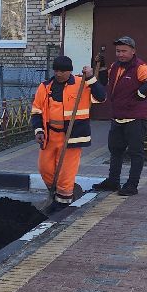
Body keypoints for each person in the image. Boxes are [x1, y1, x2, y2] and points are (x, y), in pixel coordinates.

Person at [32, 55, 105, 209]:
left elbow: (101, 97)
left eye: (62, 71)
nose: (58, 74)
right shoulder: (45, 87)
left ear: (70, 71)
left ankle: (63, 203)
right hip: (49, 136)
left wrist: (91, 78)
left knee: (65, 172)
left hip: (72, 136)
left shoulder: (81, 84)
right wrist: (38, 130)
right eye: (56, 70)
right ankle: (57, 194)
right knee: (45, 168)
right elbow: (37, 110)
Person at [93, 35, 147, 196]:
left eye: (124, 51)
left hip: (135, 118)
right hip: (117, 116)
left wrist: (140, 95)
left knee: (135, 153)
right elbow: (105, 81)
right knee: (115, 150)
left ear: (133, 51)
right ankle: (113, 181)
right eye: (118, 51)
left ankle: (132, 185)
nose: (120, 54)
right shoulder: (115, 66)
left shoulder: (140, 66)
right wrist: (102, 66)